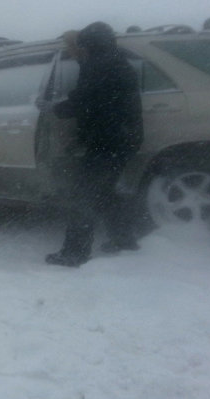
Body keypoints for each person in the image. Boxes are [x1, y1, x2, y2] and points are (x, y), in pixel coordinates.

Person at [46, 22, 144, 267]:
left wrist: (55, 109)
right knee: (105, 192)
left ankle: (74, 253)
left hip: (108, 141)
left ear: (91, 44)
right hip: (120, 138)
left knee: (83, 196)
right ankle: (123, 239)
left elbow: (84, 100)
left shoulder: (100, 65)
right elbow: (98, 99)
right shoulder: (114, 61)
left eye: (83, 46)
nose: (81, 50)